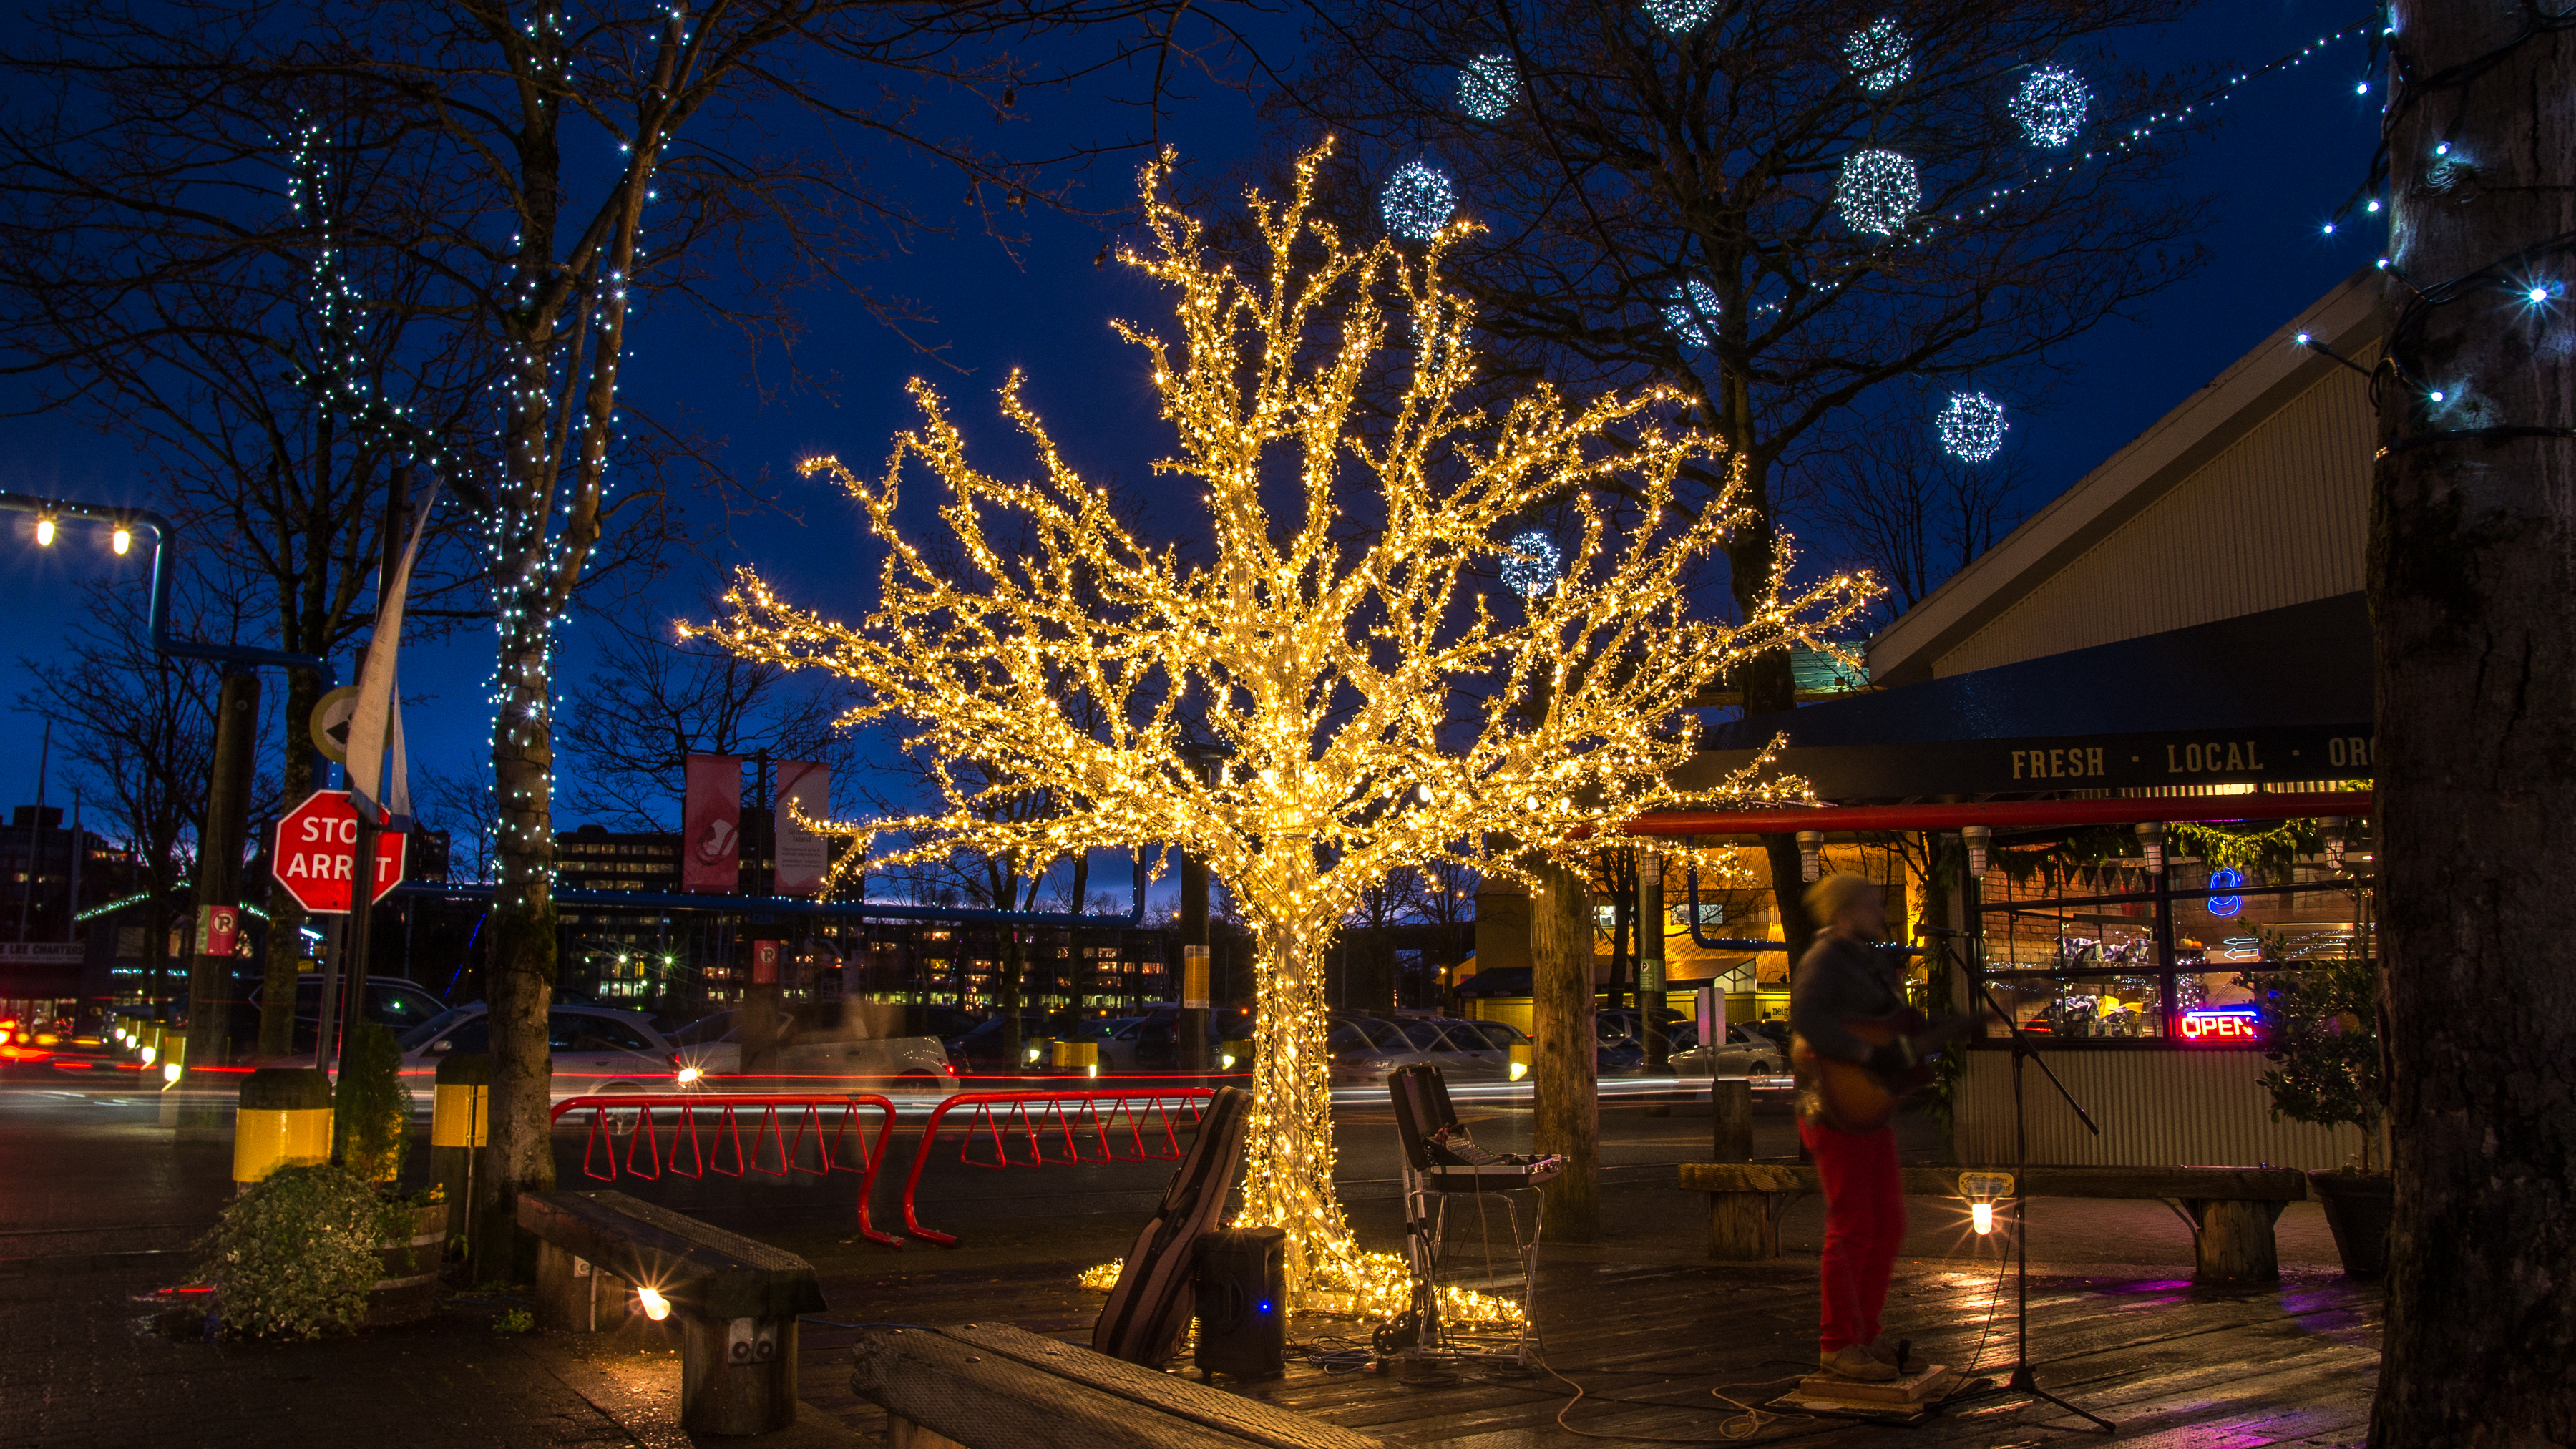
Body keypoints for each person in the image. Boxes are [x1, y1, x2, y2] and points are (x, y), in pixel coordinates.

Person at [1790, 872, 1926, 1382]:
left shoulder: (1864, 961)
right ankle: (1838, 1343)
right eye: (1871, 903)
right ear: (1846, 911)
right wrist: (1867, 1052)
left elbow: (1885, 1024)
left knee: (1886, 1223)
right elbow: (1806, 1013)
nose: (1881, 911)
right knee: (1852, 1225)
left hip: (1865, 1108)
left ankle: (1865, 1334)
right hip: (1834, 1108)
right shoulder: (1825, 959)